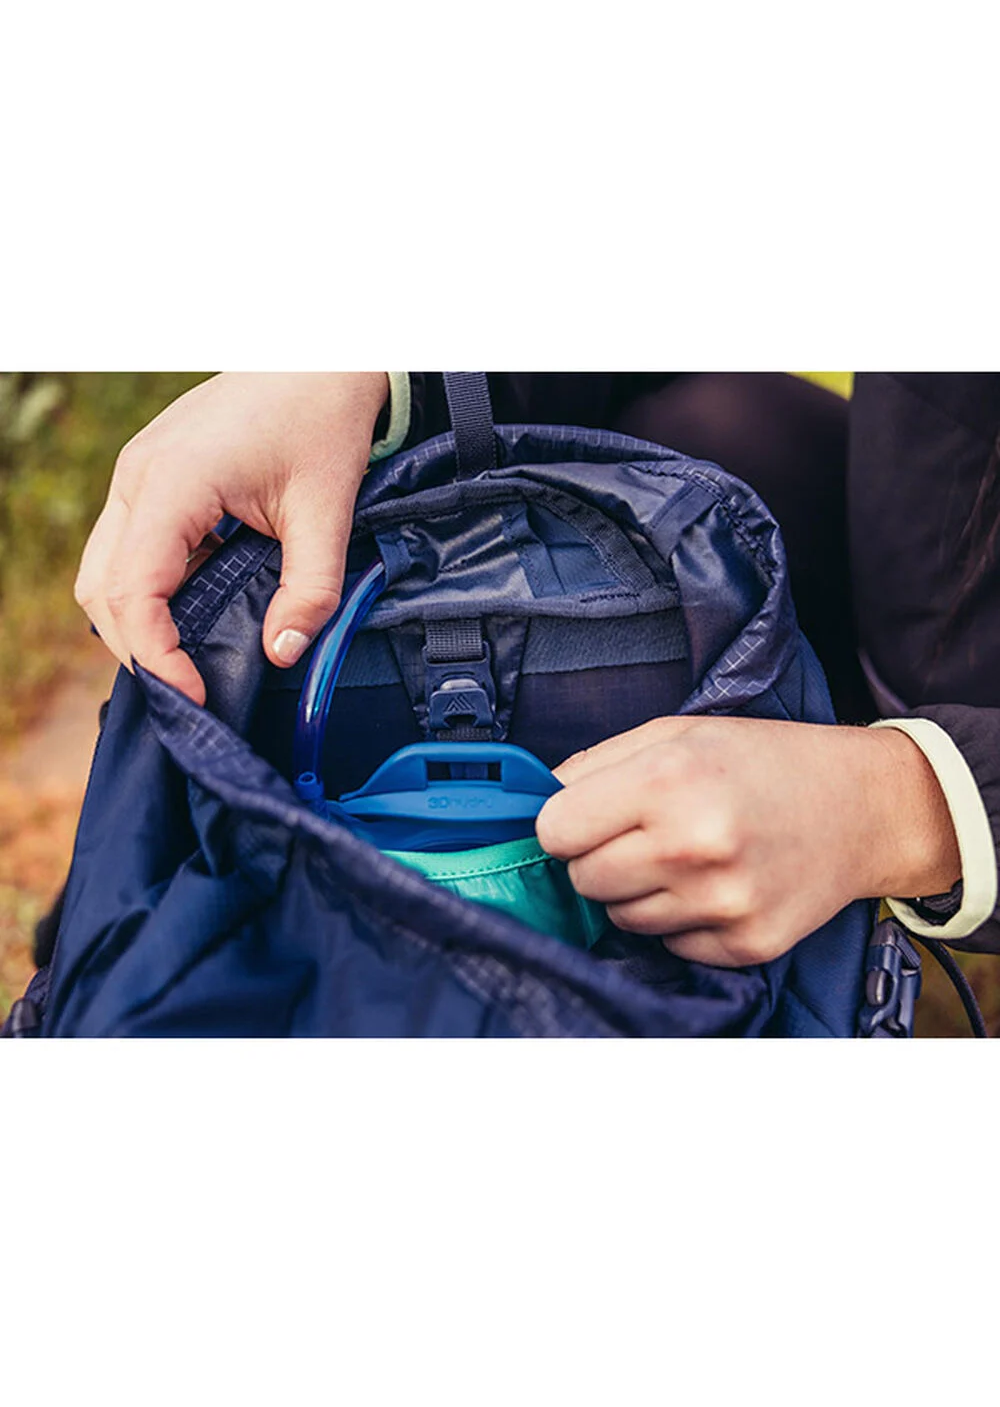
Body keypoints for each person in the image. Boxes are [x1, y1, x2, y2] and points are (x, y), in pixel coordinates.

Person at [73, 371, 1000, 967]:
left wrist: (912, 805)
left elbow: (914, 804)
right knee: (707, 425)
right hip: (931, 526)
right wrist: (373, 377)